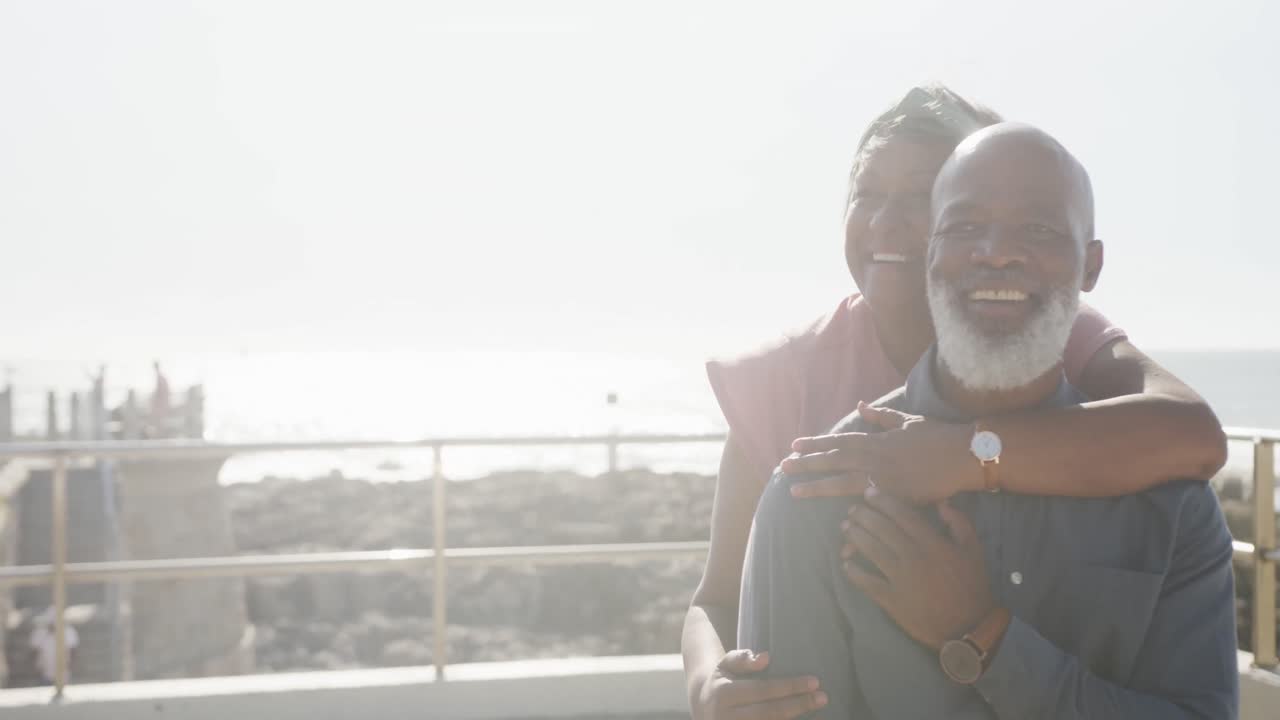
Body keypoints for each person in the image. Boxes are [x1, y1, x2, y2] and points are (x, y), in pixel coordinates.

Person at [682, 85, 1228, 719]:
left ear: (1088, 267)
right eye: (966, 223)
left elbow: (1190, 431)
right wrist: (707, 686)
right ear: (937, 249)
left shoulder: (1156, 484)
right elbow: (717, 596)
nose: (996, 251)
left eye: (1038, 227)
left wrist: (981, 624)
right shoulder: (806, 466)